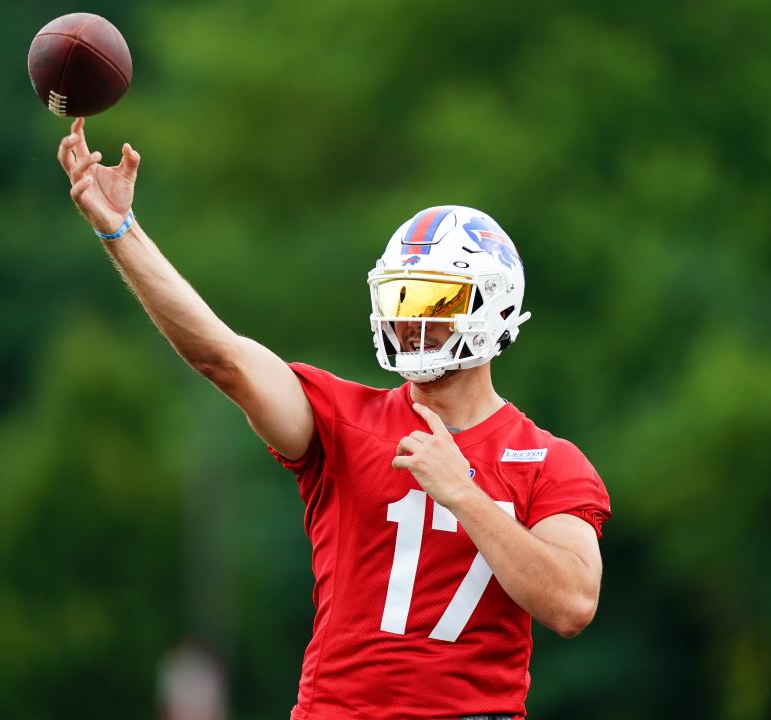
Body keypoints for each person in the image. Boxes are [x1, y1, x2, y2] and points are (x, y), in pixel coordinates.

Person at [57, 117, 612, 720]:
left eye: (435, 301)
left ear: (493, 302)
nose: (411, 321)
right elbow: (223, 357)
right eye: (402, 299)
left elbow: (571, 604)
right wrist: (120, 230)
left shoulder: (548, 462)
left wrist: (465, 494)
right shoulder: (344, 420)